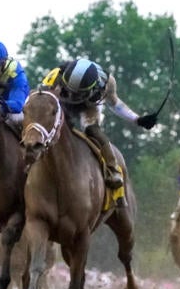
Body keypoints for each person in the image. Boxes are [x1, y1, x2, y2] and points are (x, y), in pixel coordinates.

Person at [41, 58, 156, 194]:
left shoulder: (107, 83)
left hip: (88, 107)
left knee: (92, 130)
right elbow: (40, 98)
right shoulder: (55, 76)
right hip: (59, 100)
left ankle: (113, 169)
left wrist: (137, 119)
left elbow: (115, 104)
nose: (72, 95)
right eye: (69, 90)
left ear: (94, 87)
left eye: (77, 93)